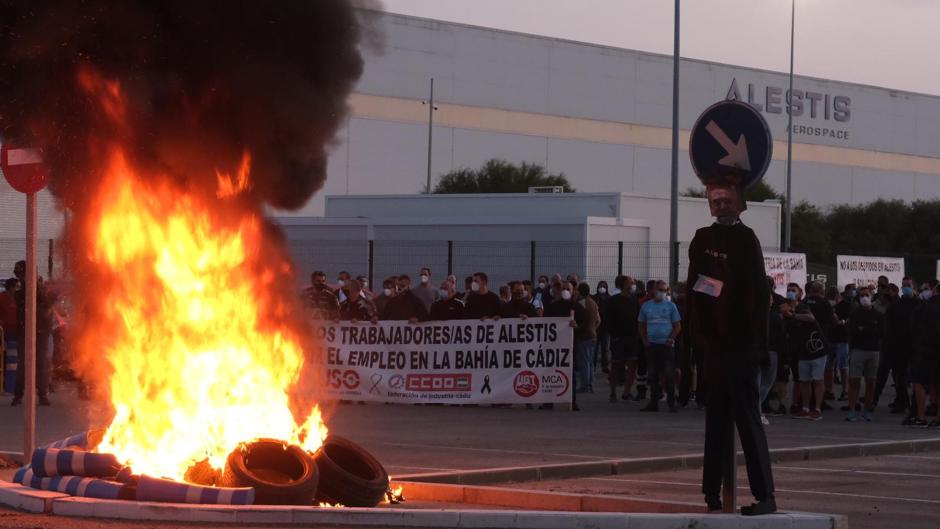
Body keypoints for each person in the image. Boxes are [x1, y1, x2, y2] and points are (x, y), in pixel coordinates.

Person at [685, 183, 775, 515]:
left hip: (739, 345)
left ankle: (765, 494)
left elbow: (756, 293)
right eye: (716, 201)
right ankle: (711, 490)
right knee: (717, 419)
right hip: (713, 345)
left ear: (739, 205)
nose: (721, 206)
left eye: (727, 200)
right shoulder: (703, 239)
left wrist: (758, 344)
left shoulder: (746, 239)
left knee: (747, 418)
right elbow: (696, 288)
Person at [877, 276, 919, 415]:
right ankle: (902, 401)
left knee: (916, 377)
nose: (905, 287)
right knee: (899, 376)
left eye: (907, 285)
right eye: (903, 285)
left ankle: (916, 404)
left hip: (915, 346)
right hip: (898, 346)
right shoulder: (896, 305)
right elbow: (888, 325)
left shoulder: (920, 305)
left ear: (914, 287)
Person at [637, 280, 680, 413]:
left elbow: (677, 326)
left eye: (664, 290)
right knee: (653, 375)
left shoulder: (671, 306)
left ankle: (671, 403)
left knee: (669, 375)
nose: (661, 292)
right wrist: (644, 340)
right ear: (653, 290)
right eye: (659, 289)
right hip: (652, 345)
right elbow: (641, 325)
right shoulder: (646, 306)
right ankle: (653, 403)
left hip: (666, 346)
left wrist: (671, 339)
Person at [545, 281, 588, 410]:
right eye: (563, 288)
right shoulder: (552, 307)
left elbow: (584, 325)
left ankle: (572, 400)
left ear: (573, 290)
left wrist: (577, 326)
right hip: (553, 345)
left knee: (571, 374)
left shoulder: (578, 308)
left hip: (570, 346)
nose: (565, 291)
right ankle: (548, 401)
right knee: (550, 372)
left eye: (568, 289)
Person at [13, 272, 52, 407]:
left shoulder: (42, 293)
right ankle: (18, 395)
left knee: (41, 364)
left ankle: (42, 394)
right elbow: (19, 299)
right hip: (25, 332)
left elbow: (48, 303)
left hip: (41, 332)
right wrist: (26, 284)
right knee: (23, 364)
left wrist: (39, 287)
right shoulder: (22, 292)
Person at [845, 287, 885, 422]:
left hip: (874, 351)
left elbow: (880, 332)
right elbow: (852, 330)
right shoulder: (855, 314)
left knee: (871, 381)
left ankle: (867, 410)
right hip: (858, 350)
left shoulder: (878, 315)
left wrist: (864, 329)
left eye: (866, 295)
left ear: (871, 296)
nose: (864, 298)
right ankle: (851, 409)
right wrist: (868, 329)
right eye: (861, 295)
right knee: (854, 380)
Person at [907, 283, 940, 427]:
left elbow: (913, 328)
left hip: (925, 349)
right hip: (934, 348)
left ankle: (921, 417)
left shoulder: (926, 307)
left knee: (919, 382)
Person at [788, 305, 828, 420]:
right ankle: (805, 408)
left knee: (818, 380)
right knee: (804, 381)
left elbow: (810, 317)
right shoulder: (794, 324)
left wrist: (794, 315)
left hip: (818, 352)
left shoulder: (809, 319)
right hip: (803, 354)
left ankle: (817, 409)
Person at [607, 275, 641, 402]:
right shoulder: (613, 300)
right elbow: (608, 319)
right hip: (618, 338)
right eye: (630, 282)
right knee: (616, 365)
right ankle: (612, 392)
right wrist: (613, 334)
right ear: (624, 284)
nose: (633, 284)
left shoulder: (634, 300)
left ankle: (626, 392)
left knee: (632, 365)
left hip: (632, 337)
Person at [829, 285, 854, 401]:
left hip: (843, 339)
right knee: (828, 367)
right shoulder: (827, 304)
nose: (834, 297)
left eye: (835, 294)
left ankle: (845, 391)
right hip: (830, 338)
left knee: (843, 366)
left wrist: (842, 321)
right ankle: (829, 391)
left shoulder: (847, 305)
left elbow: (850, 318)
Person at [575, 282, 600, 393]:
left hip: (584, 336)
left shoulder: (581, 304)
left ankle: (585, 385)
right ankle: (590, 383)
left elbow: (582, 321)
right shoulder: (593, 303)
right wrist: (593, 328)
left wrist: (578, 328)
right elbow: (599, 320)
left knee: (584, 361)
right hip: (593, 334)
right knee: (589, 361)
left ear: (580, 291)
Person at [593, 281, 612, 374]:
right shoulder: (594, 298)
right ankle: (592, 365)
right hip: (596, 327)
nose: (602, 288)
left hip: (605, 327)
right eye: (600, 286)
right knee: (594, 349)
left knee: (605, 349)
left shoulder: (609, 298)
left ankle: (605, 366)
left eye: (604, 286)